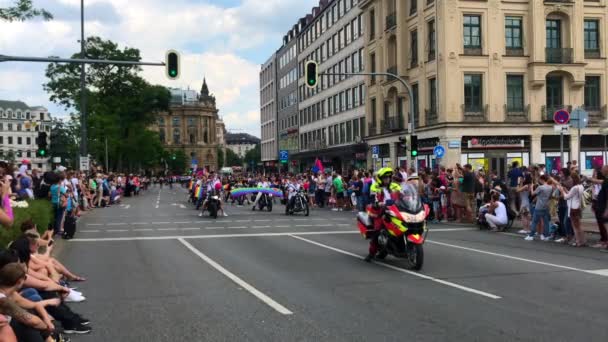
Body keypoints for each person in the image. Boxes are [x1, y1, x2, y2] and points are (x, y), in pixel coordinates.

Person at [365, 168, 402, 262]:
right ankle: (371, 253)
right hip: (381, 211)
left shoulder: (395, 186)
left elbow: (403, 195)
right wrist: (377, 203)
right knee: (377, 232)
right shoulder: (375, 186)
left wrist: (409, 198)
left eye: (388, 177)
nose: (387, 179)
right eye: (385, 178)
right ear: (380, 178)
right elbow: (374, 197)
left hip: (396, 210)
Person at [558, 173, 586, 246]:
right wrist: (565, 190)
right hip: (578, 206)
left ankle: (578, 242)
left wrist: (562, 191)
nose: (570, 180)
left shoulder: (574, 187)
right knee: (579, 225)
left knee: (575, 227)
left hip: (573, 208)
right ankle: (582, 241)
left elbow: (566, 197)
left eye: (571, 179)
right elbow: (571, 195)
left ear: (573, 179)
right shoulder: (580, 186)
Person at [525, 175, 553, 241]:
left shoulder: (540, 187)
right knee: (546, 222)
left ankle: (531, 235)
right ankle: (546, 235)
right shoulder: (550, 187)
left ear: (542, 180)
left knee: (535, 221)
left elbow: (532, 194)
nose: (539, 181)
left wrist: (532, 187)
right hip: (546, 206)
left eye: (540, 179)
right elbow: (550, 196)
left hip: (539, 206)